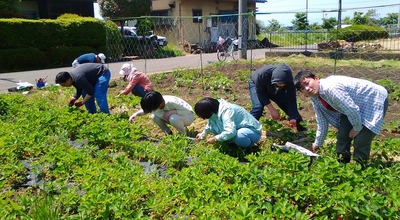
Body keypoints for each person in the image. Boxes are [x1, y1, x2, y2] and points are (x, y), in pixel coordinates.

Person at [294, 71, 388, 164]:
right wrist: (318, 143)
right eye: (302, 88)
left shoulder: (330, 88)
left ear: (316, 78)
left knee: (361, 140)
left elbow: (352, 109)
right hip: (352, 108)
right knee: (343, 135)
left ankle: (361, 168)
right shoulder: (314, 97)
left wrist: (357, 128)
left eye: (307, 83)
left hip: (373, 100)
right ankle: (342, 164)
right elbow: (321, 120)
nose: (307, 88)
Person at [249, 63, 306, 132]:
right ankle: (247, 128)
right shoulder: (262, 74)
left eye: (283, 84)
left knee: (287, 106)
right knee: (258, 107)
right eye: (279, 83)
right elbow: (261, 94)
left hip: (273, 86)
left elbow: (291, 99)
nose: (282, 86)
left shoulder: (289, 81)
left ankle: (302, 131)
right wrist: (272, 110)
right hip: (256, 85)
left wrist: (293, 117)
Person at [195, 97, 262, 149]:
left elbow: (231, 132)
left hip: (252, 131)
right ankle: (234, 144)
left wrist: (216, 138)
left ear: (210, 112)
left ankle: (250, 147)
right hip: (236, 129)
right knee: (223, 133)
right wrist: (203, 135)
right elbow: (210, 125)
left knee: (240, 136)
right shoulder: (214, 110)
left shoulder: (227, 111)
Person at [129, 91, 194, 135]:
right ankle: (168, 133)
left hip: (188, 116)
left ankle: (183, 134)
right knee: (154, 116)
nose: (152, 110)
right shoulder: (156, 102)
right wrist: (135, 114)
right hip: (174, 118)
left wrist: (171, 112)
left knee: (173, 118)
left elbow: (187, 110)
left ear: (159, 104)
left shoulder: (170, 102)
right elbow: (145, 111)